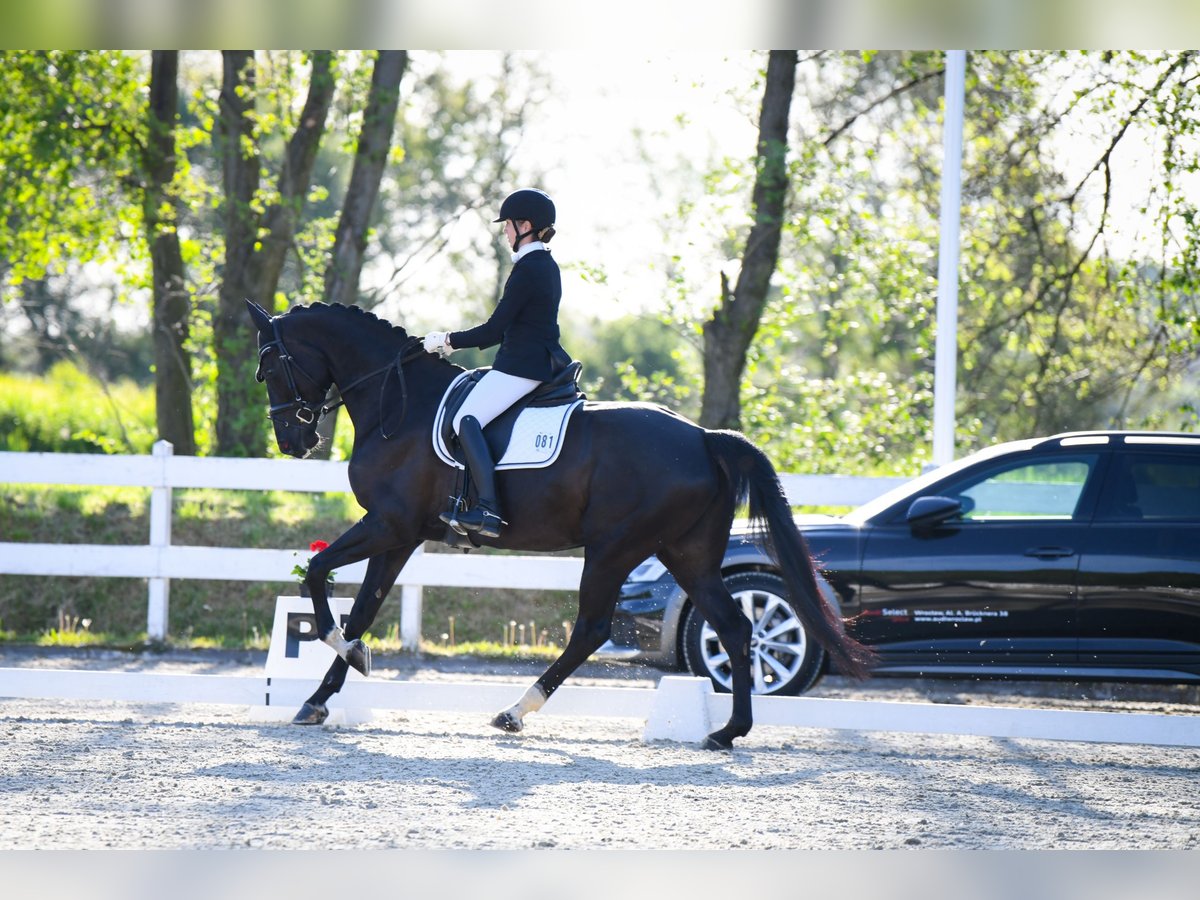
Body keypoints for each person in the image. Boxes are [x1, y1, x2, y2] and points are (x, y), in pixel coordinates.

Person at [423, 188, 570, 540]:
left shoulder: (530, 268)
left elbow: (495, 327)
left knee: (465, 419)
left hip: (522, 366)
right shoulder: (543, 265)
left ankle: (488, 508)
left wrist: (447, 341)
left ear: (526, 225)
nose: (504, 231)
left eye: (508, 225)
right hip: (526, 361)